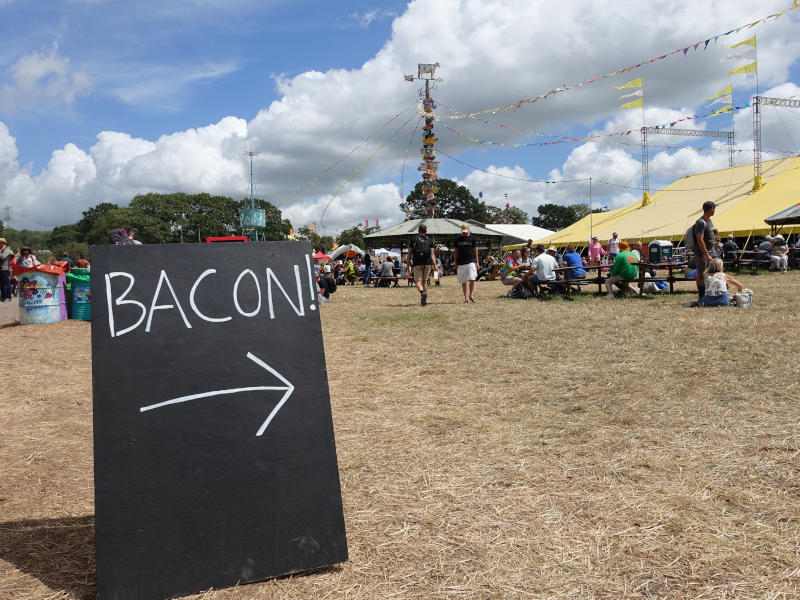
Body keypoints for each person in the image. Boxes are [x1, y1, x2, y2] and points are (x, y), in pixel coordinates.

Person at [406, 223, 437, 306]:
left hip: (417, 263)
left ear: (418, 230)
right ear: (426, 231)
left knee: (417, 281)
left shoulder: (414, 239)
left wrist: (407, 264)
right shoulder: (429, 240)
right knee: (425, 281)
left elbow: (409, 254)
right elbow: (432, 254)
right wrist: (435, 265)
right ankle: (424, 300)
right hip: (427, 263)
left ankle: (422, 292)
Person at [693, 201, 716, 301]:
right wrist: (706, 254)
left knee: (714, 272)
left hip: (711, 251)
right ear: (711, 208)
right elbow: (700, 240)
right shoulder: (700, 222)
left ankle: (710, 293)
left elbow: (707, 232)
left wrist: (714, 230)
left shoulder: (709, 220)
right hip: (702, 253)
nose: (714, 210)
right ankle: (701, 297)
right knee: (701, 274)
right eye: (714, 208)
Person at [452, 223, 479, 302]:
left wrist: (477, 262)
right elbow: (455, 251)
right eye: (463, 231)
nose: (464, 233)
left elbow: (475, 250)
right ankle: (465, 298)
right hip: (461, 263)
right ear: (461, 230)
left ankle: (471, 295)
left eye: (466, 232)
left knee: (472, 278)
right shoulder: (457, 239)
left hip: (471, 262)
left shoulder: (472, 238)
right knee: (463, 281)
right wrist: (455, 262)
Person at [0, 237, 13, 302]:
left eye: (0, 242)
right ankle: (3, 297)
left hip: (5, 268)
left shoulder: (7, 249)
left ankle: (8, 296)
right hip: (0, 268)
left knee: (7, 283)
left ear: (3, 243)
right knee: (1, 284)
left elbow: (3, 257)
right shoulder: (1, 249)